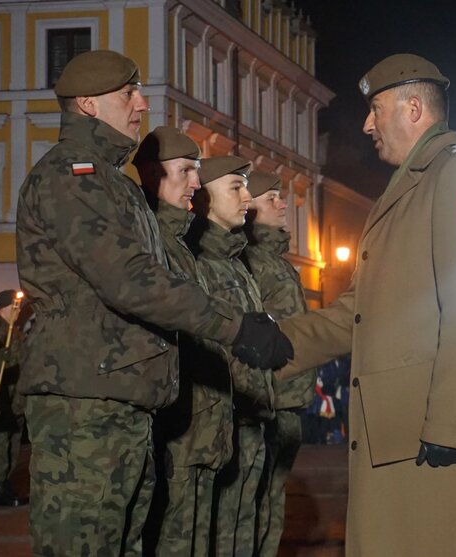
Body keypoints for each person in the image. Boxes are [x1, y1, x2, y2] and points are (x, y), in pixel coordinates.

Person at [15, 50, 291, 557]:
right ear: (88, 105)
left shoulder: (108, 182)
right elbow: (131, 280)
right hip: (86, 399)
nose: (141, 104)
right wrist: (236, 327)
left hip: (117, 394)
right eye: (128, 94)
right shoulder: (72, 176)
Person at [277, 53, 456, 556]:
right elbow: (358, 313)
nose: (368, 124)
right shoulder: (410, 190)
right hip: (405, 440)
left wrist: (452, 429)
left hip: (441, 444)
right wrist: (270, 342)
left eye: (377, 108)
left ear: (415, 108)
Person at [133, 126, 234, 556]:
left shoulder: (178, 243)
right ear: (155, 174)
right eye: (186, 171)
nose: (197, 182)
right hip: (173, 430)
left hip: (198, 428)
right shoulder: (149, 243)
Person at [187, 156, 275, 557]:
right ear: (205, 197)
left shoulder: (234, 262)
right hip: (217, 421)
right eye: (235, 188)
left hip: (249, 416)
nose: (247, 198)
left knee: (241, 529)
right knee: (211, 534)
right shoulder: (198, 263)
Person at [241, 171, 316, 557]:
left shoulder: (274, 260)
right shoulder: (252, 261)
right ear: (248, 207)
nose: (282, 203)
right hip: (269, 401)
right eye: (271, 198)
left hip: (287, 399)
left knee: (271, 504)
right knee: (255, 507)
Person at [0, 289, 28, 507]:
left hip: (17, 398)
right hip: (4, 398)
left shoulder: (17, 334)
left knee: (13, 443)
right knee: (1, 443)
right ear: (3, 308)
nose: (18, 310)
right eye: (14, 306)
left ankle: (7, 482)